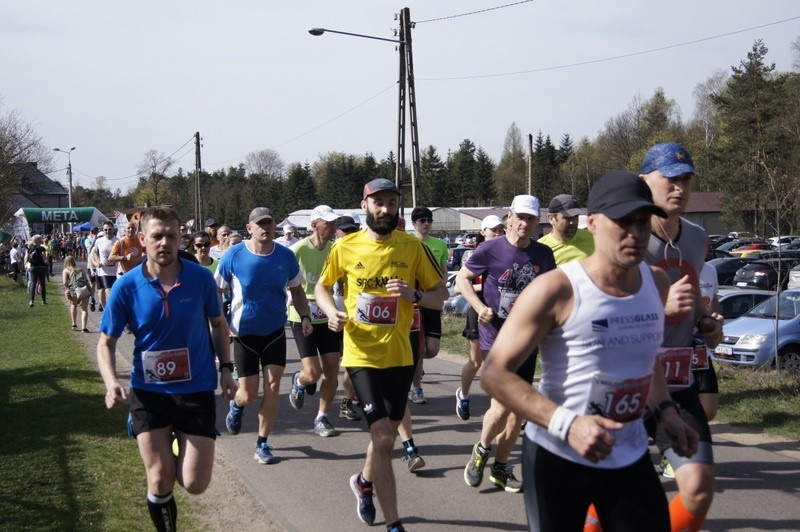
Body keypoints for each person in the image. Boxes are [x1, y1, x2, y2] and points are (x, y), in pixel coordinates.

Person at [481, 170, 699, 531]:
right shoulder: (556, 289)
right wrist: (569, 425)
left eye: (644, 222)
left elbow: (645, 359)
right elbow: (494, 373)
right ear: (593, 223)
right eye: (624, 222)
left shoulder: (657, 282)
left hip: (627, 452)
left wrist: (666, 412)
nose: (636, 233)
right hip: (559, 453)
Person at [315, 178, 448, 531]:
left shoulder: (412, 247)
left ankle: (363, 481)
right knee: (386, 438)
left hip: (400, 356)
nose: (386, 209)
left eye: (391, 203)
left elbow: (440, 293)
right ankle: (394, 524)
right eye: (379, 203)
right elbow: (322, 286)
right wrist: (330, 311)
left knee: (384, 434)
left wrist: (414, 296)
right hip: (361, 355)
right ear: (365, 205)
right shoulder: (345, 247)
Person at [96, 205, 238, 532]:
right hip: (150, 393)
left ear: (180, 238)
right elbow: (106, 343)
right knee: (160, 479)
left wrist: (227, 369)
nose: (165, 242)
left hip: (196, 389)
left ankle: (175, 442)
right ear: (142, 240)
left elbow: (218, 325)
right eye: (157, 236)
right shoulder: (126, 287)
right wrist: (110, 383)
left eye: (171, 236)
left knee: (195, 483)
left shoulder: (201, 280)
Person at [640, 142, 722, 532]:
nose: (680, 188)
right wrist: (661, 312)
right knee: (607, 494)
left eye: (686, 180)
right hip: (626, 381)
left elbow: (695, 301)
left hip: (677, 380)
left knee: (698, 486)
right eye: (670, 179)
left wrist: (707, 322)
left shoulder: (695, 237)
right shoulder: (625, 238)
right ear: (644, 182)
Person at [457, 195, 556, 493]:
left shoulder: (543, 254)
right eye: (521, 217)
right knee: (502, 407)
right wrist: (478, 306)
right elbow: (463, 279)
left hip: (527, 339)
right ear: (509, 217)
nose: (525, 224)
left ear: (538, 222)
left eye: (532, 219)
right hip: (495, 337)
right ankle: (482, 449)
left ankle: (500, 467)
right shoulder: (490, 249)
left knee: (519, 411)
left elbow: (550, 292)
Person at [217, 207, 313, 464]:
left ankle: (262, 442)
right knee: (248, 393)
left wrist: (305, 317)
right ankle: (237, 406)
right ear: (249, 228)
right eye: (260, 224)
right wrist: (219, 324)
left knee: (272, 387)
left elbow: (297, 290)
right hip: (243, 334)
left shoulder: (285, 256)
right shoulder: (233, 256)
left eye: (270, 223)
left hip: (274, 332)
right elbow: (218, 290)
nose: (266, 227)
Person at [287, 205, 342, 437]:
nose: (332, 227)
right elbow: (286, 280)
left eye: (334, 223)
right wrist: (291, 297)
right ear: (314, 225)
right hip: (302, 315)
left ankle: (322, 417)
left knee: (332, 369)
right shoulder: (297, 250)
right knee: (313, 373)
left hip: (328, 314)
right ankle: (299, 382)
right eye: (327, 223)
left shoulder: (335, 250)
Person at [456, 214, 505, 421]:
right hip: (477, 311)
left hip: (500, 312)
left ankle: (500, 408)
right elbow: (459, 287)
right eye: (493, 230)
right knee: (476, 362)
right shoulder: (474, 256)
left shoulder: (505, 253)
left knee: (497, 362)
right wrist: (485, 286)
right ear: (483, 232)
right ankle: (463, 394)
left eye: (501, 231)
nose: (498, 234)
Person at [409, 206, 449, 404]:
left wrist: (441, 293)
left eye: (428, 220)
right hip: (413, 301)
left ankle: (416, 362)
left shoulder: (440, 245)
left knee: (431, 349)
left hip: (431, 299)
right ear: (413, 223)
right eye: (421, 220)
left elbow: (443, 272)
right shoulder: (408, 243)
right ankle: (416, 388)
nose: (425, 224)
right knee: (417, 347)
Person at [333, 215, 362, 422]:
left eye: (352, 230)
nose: (349, 234)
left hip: (360, 309)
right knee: (346, 360)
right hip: (337, 308)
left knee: (355, 359)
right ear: (337, 232)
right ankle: (346, 400)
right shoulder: (335, 250)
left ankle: (351, 399)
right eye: (345, 230)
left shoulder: (360, 248)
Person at [539, 194, 595, 263]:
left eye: (576, 217)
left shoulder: (593, 239)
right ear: (551, 219)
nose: (573, 222)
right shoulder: (540, 249)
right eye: (567, 217)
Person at [90, 221, 119, 311]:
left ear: (113, 229)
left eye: (109, 229)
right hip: (102, 271)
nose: (107, 231)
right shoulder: (99, 241)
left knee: (109, 292)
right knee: (102, 292)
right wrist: (97, 262)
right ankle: (106, 310)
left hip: (115, 271)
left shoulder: (118, 240)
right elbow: (93, 254)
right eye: (105, 230)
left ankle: (110, 311)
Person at [62, 256, 92, 332]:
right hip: (84, 289)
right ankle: (84, 328)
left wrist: (69, 289)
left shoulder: (66, 270)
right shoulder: (80, 269)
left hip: (74, 290)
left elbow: (65, 282)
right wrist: (90, 291)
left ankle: (74, 323)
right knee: (84, 309)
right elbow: (86, 281)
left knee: (73, 305)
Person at [25, 234, 49, 307]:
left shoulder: (30, 248)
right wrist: (45, 261)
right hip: (41, 267)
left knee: (33, 283)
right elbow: (44, 257)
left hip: (32, 267)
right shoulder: (41, 248)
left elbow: (26, 258)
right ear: (39, 240)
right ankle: (43, 301)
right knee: (42, 284)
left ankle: (31, 301)